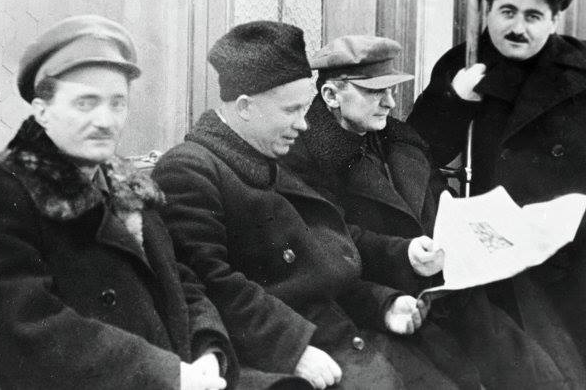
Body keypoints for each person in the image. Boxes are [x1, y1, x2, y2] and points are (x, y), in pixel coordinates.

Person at [152, 20, 497, 389]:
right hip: (291, 356)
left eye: (305, 109)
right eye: (292, 110)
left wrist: (382, 303)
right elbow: (210, 284)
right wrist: (293, 348)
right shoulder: (189, 170)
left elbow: (324, 264)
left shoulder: (266, 156)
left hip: (344, 330)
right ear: (245, 107)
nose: (304, 125)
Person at [282, 34, 571, 388]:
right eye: (376, 92)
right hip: (383, 308)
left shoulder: (397, 137)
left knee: (543, 377)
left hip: (450, 292)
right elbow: (331, 242)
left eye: (392, 90)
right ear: (331, 96)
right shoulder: (302, 157)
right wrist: (405, 255)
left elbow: (435, 199)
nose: (390, 103)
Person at [0, 15, 237, 390]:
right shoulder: (5, 198)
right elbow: (32, 326)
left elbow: (181, 282)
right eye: (86, 103)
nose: (105, 120)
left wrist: (208, 350)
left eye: (117, 103)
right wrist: (166, 375)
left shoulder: (130, 189)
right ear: (42, 111)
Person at [407, 0, 586, 381]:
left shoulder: (582, 71)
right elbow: (414, 153)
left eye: (533, 15)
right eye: (507, 11)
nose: (517, 28)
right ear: (488, 10)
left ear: (554, 20)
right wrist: (453, 100)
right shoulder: (463, 63)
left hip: (571, 248)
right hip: (492, 251)